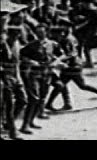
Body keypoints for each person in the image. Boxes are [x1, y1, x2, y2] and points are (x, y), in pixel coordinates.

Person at [45, 18, 97, 111]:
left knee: (78, 85)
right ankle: (61, 104)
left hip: (73, 66)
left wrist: (58, 60)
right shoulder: (68, 37)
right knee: (62, 85)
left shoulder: (68, 39)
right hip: (71, 65)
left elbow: (70, 53)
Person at [19, 23, 63, 135]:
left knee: (42, 98)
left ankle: (31, 121)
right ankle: (25, 126)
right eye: (38, 33)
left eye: (42, 32)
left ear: (46, 33)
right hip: (34, 74)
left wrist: (56, 62)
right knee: (34, 98)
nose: (40, 35)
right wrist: (31, 62)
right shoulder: (31, 45)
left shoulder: (53, 44)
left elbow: (61, 55)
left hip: (47, 74)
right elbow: (22, 56)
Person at [0, 10, 27, 140]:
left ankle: (6, 123)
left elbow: (17, 62)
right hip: (4, 76)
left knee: (22, 100)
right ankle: (12, 129)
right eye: (14, 33)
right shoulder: (2, 42)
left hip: (14, 75)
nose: (17, 35)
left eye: (18, 33)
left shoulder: (16, 44)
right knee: (8, 103)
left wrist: (19, 78)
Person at [74, 0, 97, 68]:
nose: (83, 6)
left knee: (86, 47)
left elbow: (89, 22)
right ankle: (89, 62)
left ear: (87, 3)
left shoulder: (93, 11)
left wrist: (79, 26)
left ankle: (89, 63)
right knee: (86, 45)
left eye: (83, 4)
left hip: (95, 32)